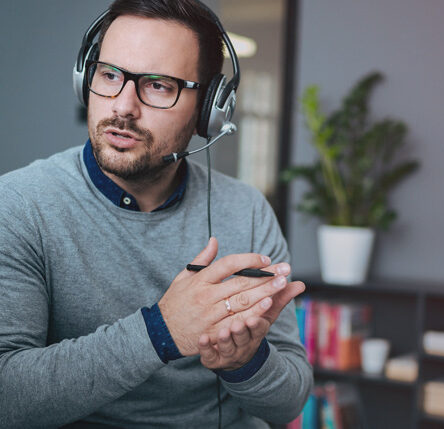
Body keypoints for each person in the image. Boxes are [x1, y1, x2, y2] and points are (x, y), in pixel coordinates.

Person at [0, 0, 313, 428]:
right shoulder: (18, 205)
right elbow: (7, 396)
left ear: (209, 109)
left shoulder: (247, 210)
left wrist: (246, 361)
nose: (123, 106)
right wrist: (161, 331)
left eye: (158, 85)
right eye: (109, 75)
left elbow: (289, 401)